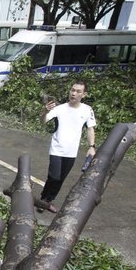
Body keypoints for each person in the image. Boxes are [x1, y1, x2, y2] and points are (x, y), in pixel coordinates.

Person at [38, 79, 96, 213]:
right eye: (72, 90)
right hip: (57, 148)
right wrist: (44, 111)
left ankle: (47, 200)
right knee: (54, 176)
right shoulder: (59, 109)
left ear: (84, 94)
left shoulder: (87, 110)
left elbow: (90, 129)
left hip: (71, 151)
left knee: (61, 179)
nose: (74, 93)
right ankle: (43, 199)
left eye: (78, 91)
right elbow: (43, 121)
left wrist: (91, 146)